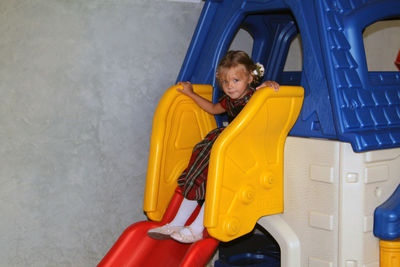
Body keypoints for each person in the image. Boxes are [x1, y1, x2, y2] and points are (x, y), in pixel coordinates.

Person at [147, 50, 280, 243]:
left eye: (236, 80)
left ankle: (196, 229)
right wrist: (191, 94)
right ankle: (177, 222)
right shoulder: (228, 100)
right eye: (225, 82)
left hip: (243, 148)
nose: (230, 86)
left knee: (217, 183)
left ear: (250, 78)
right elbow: (212, 108)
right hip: (224, 143)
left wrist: (269, 86)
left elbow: (271, 103)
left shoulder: (256, 96)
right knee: (197, 174)